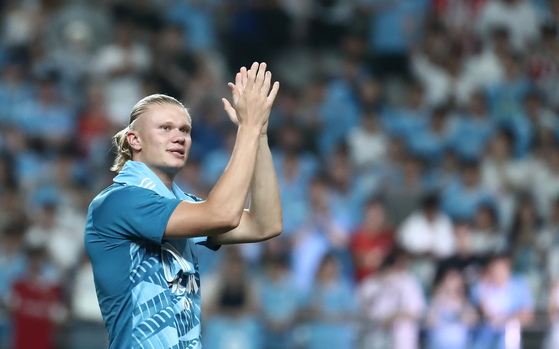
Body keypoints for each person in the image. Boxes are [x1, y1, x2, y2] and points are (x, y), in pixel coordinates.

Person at [84, 62, 282, 349]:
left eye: (185, 130)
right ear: (134, 139)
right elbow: (222, 214)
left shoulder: (182, 205)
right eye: (165, 128)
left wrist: (259, 134)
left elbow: (266, 224)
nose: (179, 136)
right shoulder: (119, 201)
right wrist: (247, 131)